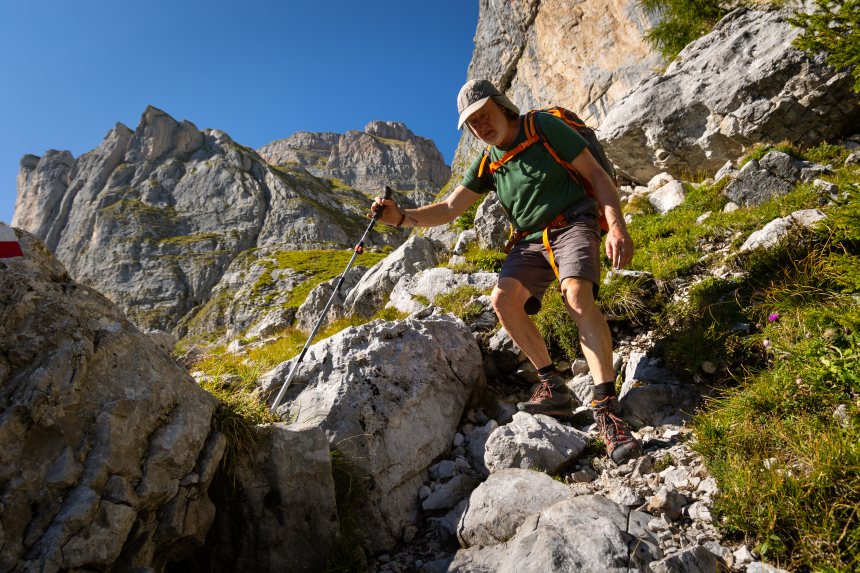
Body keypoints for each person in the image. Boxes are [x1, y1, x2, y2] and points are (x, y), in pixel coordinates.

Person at [370, 79, 641, 465]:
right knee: (503, 301)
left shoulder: (542, 127)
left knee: (577, 296)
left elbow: (597, 175)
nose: (481, 126)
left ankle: (606, 410)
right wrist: (400, 218)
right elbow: (449, 208)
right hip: (530, 240)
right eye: (473, 123)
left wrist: (616, 226)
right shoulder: (488, 162)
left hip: (574, 221)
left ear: (503, 106)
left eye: (485, 115)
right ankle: (553, 387)